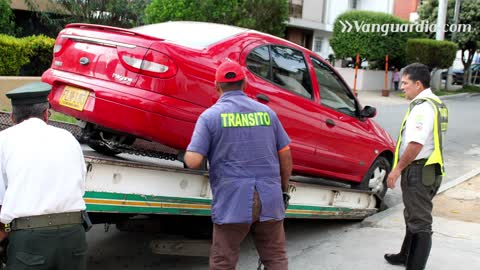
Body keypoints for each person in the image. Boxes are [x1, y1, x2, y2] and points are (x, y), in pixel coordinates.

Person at [184, 61, 292, 270]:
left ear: (217, 86)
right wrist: (283, 190)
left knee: (223, 261)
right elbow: (285, 155)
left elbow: (194, 160)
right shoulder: (267, 113)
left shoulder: (210, 117)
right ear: (245, 84)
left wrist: (190, 151)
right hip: (270, 198)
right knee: (276, 258)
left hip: (233, 201)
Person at [0, 82, 88, 270]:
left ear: (12, 117)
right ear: (46, 114)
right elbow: (80, 186)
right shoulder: (68, 138)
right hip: (74, 234)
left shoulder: (4, 140)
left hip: (30, 240)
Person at [384, 63, 448, 270]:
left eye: (405, 83)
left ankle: (414, 265)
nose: (402, 87)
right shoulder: (437, 103)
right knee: (413, 214)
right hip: (430, 169)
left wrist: (397, 169)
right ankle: (405, 255)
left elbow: (415, 144)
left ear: (418, 84)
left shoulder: (423, 107)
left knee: (420, 222)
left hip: (419, 170)